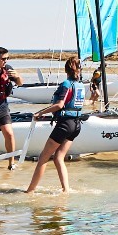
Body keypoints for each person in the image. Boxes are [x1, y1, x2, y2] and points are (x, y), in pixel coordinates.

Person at [26, 57, 89, 193]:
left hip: (65, 124)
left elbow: (60, 105)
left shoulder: (66, 84)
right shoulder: (80, 85)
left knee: (43, 157)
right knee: (59, 157)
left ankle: (30, 191)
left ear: (66, 69)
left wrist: (39, 113)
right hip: (76, 125)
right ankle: (66, 189)